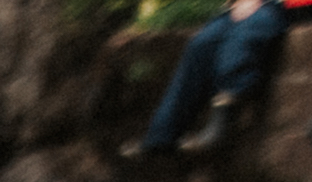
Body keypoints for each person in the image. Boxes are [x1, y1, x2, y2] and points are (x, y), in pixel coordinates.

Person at [123, 0, 307, 158]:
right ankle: (161, 136)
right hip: (259, 5)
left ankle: (224, 114)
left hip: (289, 8)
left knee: (242, 40)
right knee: (202, 44)